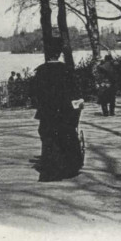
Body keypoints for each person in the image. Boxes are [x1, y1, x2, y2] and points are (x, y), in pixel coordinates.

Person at [30, 37, 84, 182]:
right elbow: (75, 91)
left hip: (47, 112)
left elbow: (35, 93)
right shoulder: (67, 70)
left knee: (49, 138)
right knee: (67, 135)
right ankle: (70, 167)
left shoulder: (41, 71)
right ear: (59, 53)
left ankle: (51, 169)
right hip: (65, 111)